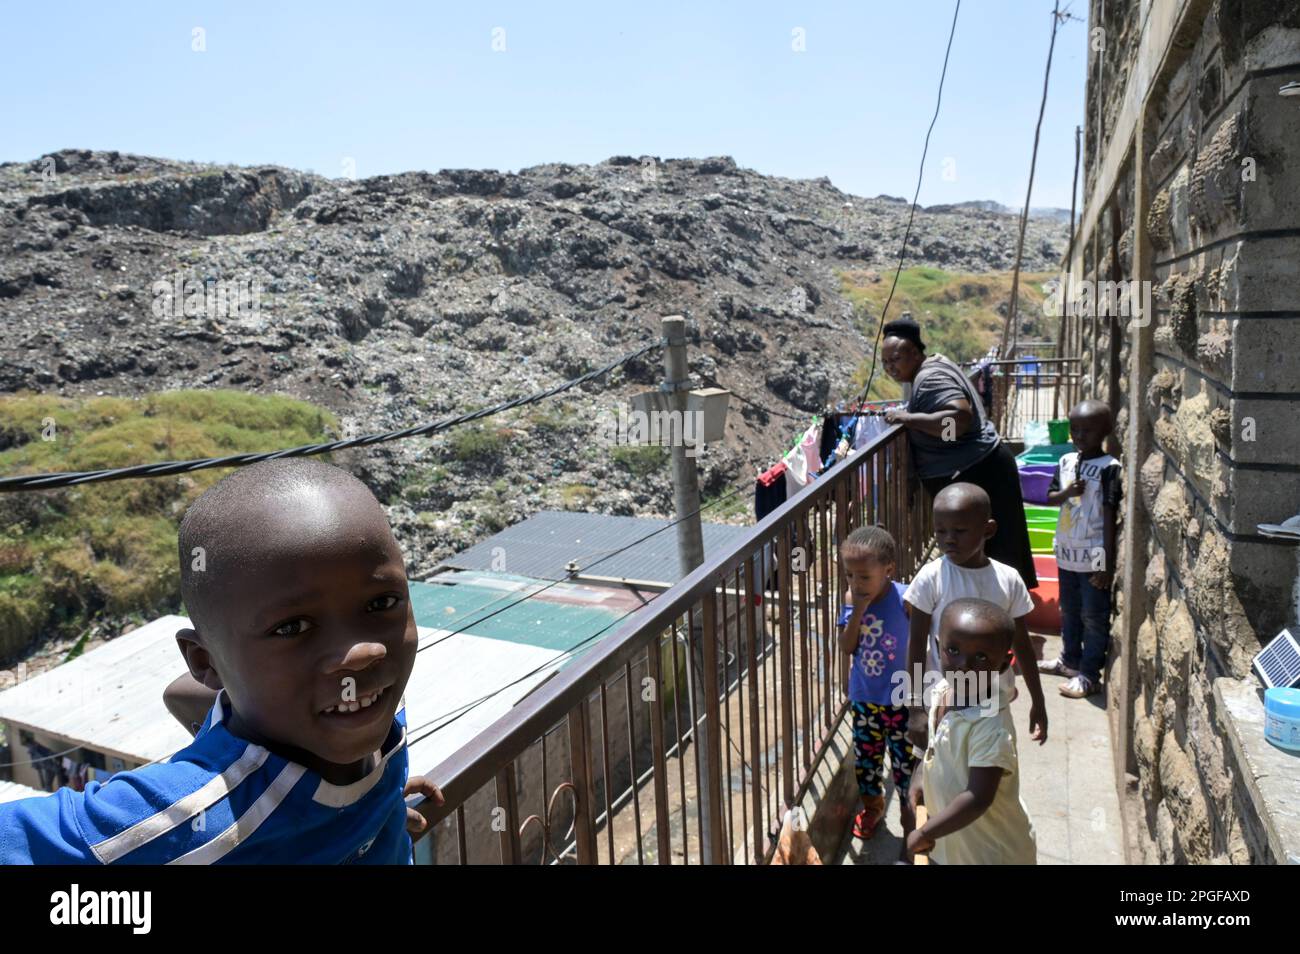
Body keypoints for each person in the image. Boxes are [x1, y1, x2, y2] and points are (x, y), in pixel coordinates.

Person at [0, 459, 442, 864]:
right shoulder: (188, 818)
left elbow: (181, 694)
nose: (363, 653)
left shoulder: (379, 719)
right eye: (293, 628)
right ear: (205, 661)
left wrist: (373, 805)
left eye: (382, 602)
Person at [880, 317, 1038, 590]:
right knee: (1000, 553)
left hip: (978, 473)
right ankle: (1001, 620)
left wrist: (907, 418)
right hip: (986, 467)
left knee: (990, 558)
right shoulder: (934, 366)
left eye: (895, 359)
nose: (890, 367)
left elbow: (957, 422)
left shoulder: (930, 377)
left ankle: (997, 624)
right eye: (885, 363)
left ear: (916, 354)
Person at [901, 483, 1048, 750]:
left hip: (993, 703)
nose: (949, 539)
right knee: (939, 777)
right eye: (941, 531)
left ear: (988, 530)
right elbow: (916, 645)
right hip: (943, 702)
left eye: (959, 531)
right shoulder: (930, 578)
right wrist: (914, 710)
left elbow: (1022, 645)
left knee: (988, 777)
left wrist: (1038, 700)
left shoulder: (1008, 580)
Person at [906, 599, 1037, 865]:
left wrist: (925, 832)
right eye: (953, 650)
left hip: (990, 853)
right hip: (956, 845)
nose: (963, 664)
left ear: (1003, 664)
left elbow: (978, 798)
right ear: (937, 646)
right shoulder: (944, 690)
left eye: (980, 657)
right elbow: (936, 742)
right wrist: (921, 772)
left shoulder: (991, 727)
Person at [835, 525, 917, 851]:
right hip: (866, 697)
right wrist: (857, 611)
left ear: (888, 570)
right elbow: (846, 646)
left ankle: (912, 818)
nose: (856, 584)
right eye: (850, 576)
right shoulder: (851, 600)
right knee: (867, 760)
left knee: (905, 762)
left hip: (900, 698)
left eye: (864, 577)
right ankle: (872, 808)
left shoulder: (908, 598)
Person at [1038, 400, 1121, 699]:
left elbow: (1110, 517)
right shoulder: (1065, 462)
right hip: (1066, 551)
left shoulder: (1110, 468)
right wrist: (1067, 492)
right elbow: (1049, 497)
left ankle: (1089, 675)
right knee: (1069, 610)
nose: (1080, 435)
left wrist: (1105, 563)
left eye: (1088, 430)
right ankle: (1068, 660)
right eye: (1075, 429)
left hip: (1094, 552)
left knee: (1094, 615)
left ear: (1105, 431)